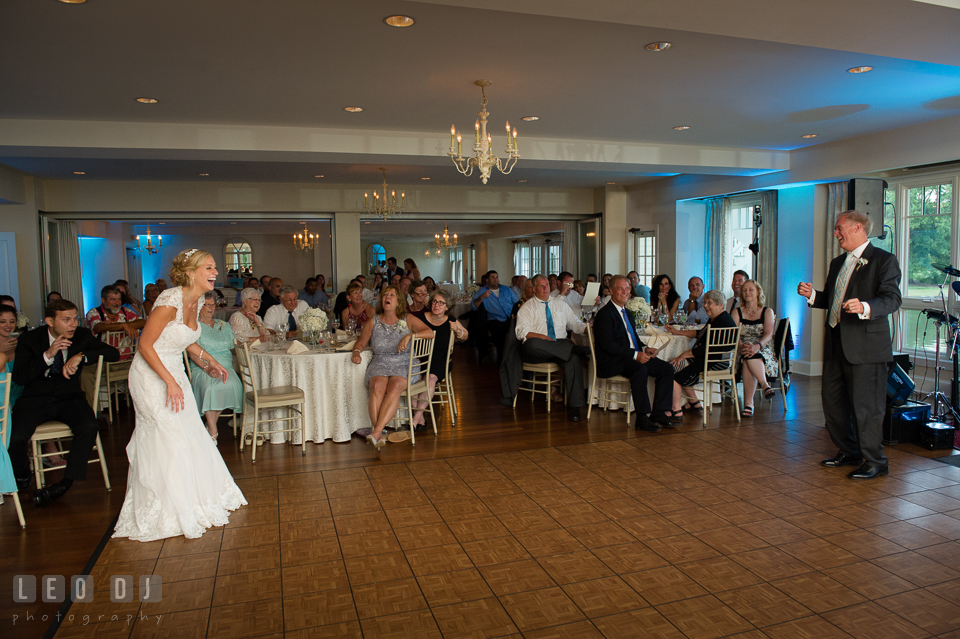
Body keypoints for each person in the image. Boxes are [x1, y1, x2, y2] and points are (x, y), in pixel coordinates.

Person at [113, 249, 246, 541]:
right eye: (208, 267)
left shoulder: (197, 301)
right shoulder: (169, 300)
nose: (215, 272)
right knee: (167, 436)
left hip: (175, 373)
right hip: (151, 376)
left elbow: (185, 342)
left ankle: (195, 499)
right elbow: (146, 346)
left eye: (214, 267)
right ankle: (168, 509)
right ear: (190, 272)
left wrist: (210, 360)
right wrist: (170, 381)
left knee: (189, 434)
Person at [798, 210, 901, 480]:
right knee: (833, 404)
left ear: (857, 228)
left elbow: (892, 299)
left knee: (867, 407)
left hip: (867, 348)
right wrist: (813, 296)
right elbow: (833, 301)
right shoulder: (837, 263)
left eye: (838, 228)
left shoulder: (884, 260)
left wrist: (865, 306)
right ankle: (849, 450)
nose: (836, 234)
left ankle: (875, 461)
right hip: (836, 346)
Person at [10, 299, 121, 505]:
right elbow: (19, 377)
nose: (73, 324)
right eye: (66, 319)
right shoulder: (30, 339)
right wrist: (47, 356)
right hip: (35, 400)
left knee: (89, 426)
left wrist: (81, 355)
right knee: (15, 437)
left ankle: (65, 483)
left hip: (69, 398)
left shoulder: (82, 335)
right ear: (49, 321)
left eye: (75, 318)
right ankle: (22, 474)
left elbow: (113, 353)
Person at [349, 286, 434, 451]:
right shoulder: (373, 321)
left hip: (404, 363)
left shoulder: (407, 318)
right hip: (380, 362)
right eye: (385, 295)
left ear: (398, 301)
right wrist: (357, 352)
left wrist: (410, 335)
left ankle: (377, 432)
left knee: (394, 386)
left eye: (392, 295)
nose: (387, 297)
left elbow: (429, 332)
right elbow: (360, 342)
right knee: (377, 387)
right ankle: (378, 433)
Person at [594, 276, 675, 431]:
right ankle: (642, 417)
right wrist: (635, 355)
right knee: (640, 369)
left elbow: (633, 338)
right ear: (611, 291)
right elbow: (607, 344)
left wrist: (644, 349)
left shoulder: (627, 313)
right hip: (613, 360)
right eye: (620, 288)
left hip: (629, 357)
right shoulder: (605, 314)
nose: (625, 292)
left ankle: (659, 412)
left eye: (627, 288)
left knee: (666, 368)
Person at [515, 275, 589, 422]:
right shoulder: (527, 307)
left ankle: (575, 408)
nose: (545, 288)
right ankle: (575, 350)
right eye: (541, 286)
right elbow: (521, 333)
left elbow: (576, 324)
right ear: (534, 289)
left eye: (547, 285)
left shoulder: (560, 304)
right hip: (539, 348)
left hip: (560, 346)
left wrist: (590, 329)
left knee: (573, 359)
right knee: (531, 344)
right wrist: (543, 338)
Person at [667, 290, 736, 417]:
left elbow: (709, 349)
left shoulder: (721, 322)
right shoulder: (718, 318)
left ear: (721, 305)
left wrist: (685, 354)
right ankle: (694, 402)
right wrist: (678, 332)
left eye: (710, 303)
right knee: (677, 364)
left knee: (671, 368)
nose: (705, 306)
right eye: (705, 302)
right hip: (714, 358)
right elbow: (700, 333)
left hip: (716, 361)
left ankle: (676, 409)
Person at [408, 290, 468, 429]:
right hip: (419, 359)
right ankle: (421, 417)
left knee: (430, 379)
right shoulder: (420, 318)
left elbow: (465, 336)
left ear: (447, 307)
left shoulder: (451, 320)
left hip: (441, 360)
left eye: (441, 303)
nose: (437, 305)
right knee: (412, 378)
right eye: (435, 301)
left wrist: (458, 331)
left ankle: (415, 418)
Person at [191, 291, 243, 440]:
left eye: (212, 305)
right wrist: (207, 368)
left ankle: (209, 425)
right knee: (211, 387)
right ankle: (213, 429)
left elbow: (235, 345)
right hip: (202, 366)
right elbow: (192, 353)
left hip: (225, 365)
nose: (210, 308)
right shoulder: (194, 327)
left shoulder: (224, 325)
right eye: (206, 305)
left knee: (231, 383)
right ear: (199, 306)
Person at [733, 280, 778, 417]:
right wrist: (742, 346)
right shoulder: (737, 312)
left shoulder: (767, 311)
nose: (747, 292)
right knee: (747, 354)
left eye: (751, 289)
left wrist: (757, 346)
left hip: (762, 346)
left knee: (749, 357)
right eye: (745, 290)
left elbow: (769, 334)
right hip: (742, 346)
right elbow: (734, 334)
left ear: (758, 292)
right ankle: (765, 386)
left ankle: (749, 404)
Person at [472, 270, 519, 362]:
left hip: (509, 317)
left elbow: (516, 303)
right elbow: (474, 306)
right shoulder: (482, 291)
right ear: (487, 279)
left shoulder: (506, 289)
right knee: (500, 332)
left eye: (496, 277)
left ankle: (514, 357)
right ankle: (503, 358)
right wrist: (482, 297)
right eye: (493, 277)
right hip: (494, 319)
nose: (495, 279)